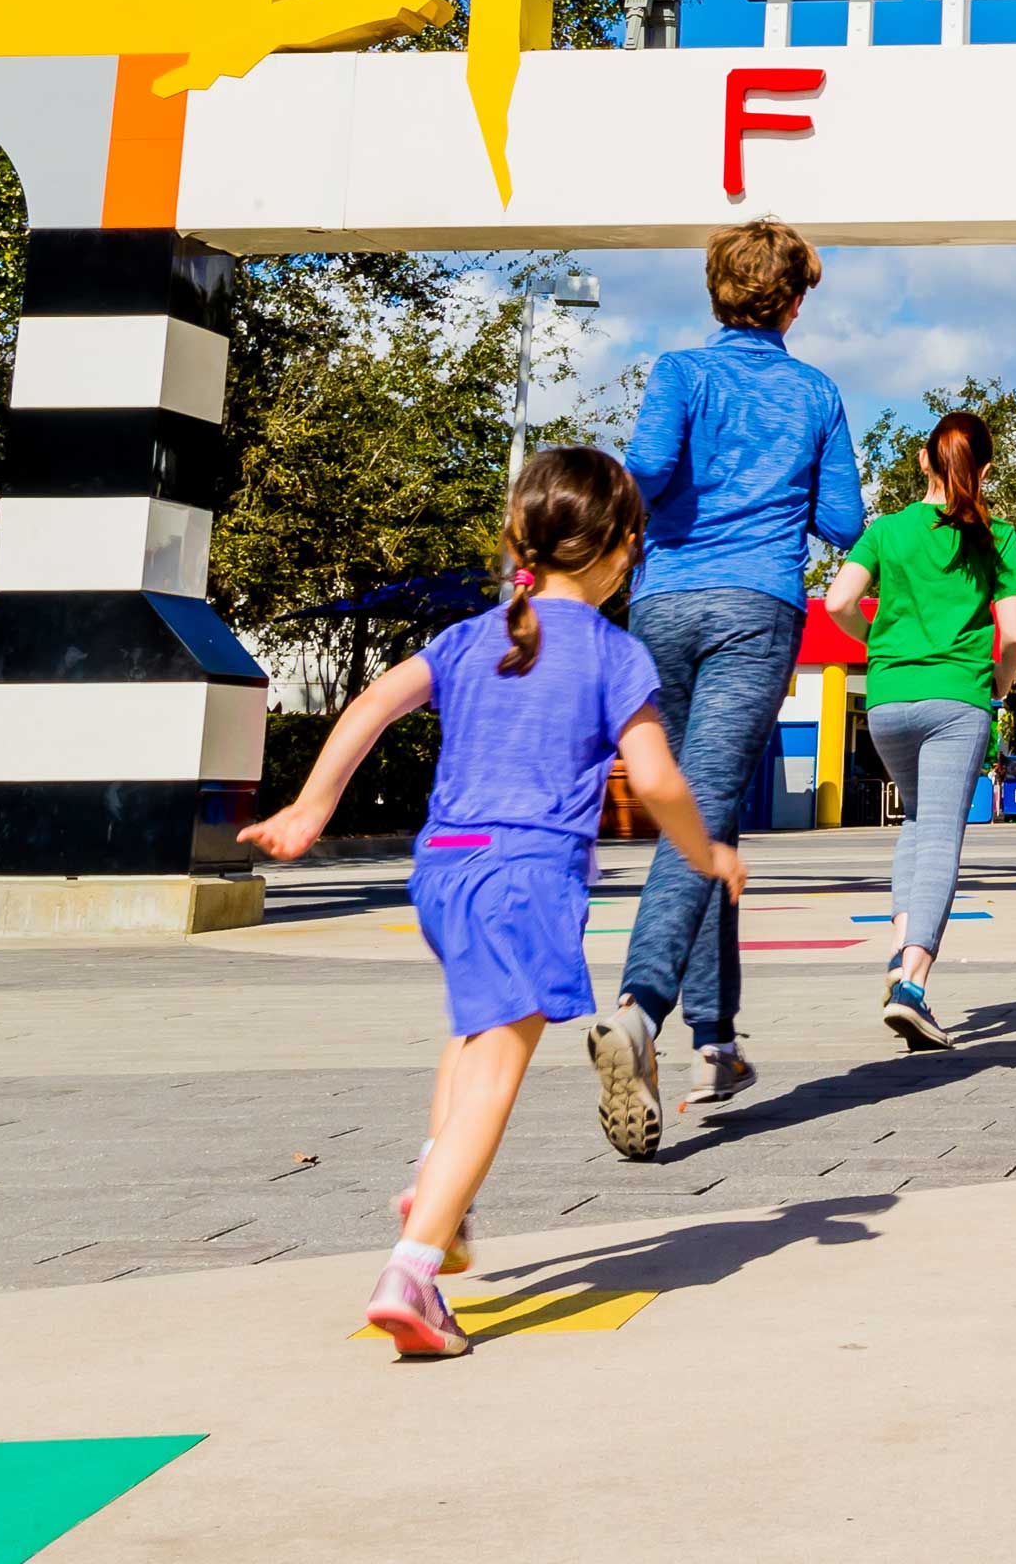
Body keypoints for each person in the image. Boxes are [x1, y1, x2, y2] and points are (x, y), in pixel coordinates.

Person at [245, 449, 736, 1358]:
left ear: (521, 538)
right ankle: (413, 1268)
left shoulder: (470, 637)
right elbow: (659, 776)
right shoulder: (611, 651)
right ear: (627, 549)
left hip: (445, 869)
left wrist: (310, 809)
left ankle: (443, 1189)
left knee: (473, 1036)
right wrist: (704, 852)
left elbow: (373, 703)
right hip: (527, 876)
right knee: (495, 1080)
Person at [599, 219, 862, 1155]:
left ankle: (716, 1042)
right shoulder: (817, 392)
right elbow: (841, 518)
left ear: (717, 294)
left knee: (706, 810)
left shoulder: (677, 373)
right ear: (793, 303)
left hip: (661, 604)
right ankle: (640, 1009)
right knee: (700, 810)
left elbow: (648, 475)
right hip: (757, 606)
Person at [822, 407, 1016, 1053]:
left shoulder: (887, 531)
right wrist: (997, 683)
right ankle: (912, 983)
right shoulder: (993, 535)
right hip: (957, 701)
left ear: (922, 461)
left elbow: (836, 603)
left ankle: (895, 958)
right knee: (941, 837)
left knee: (915, 823)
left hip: (888, 703)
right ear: (987, 468)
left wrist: (877, 646)